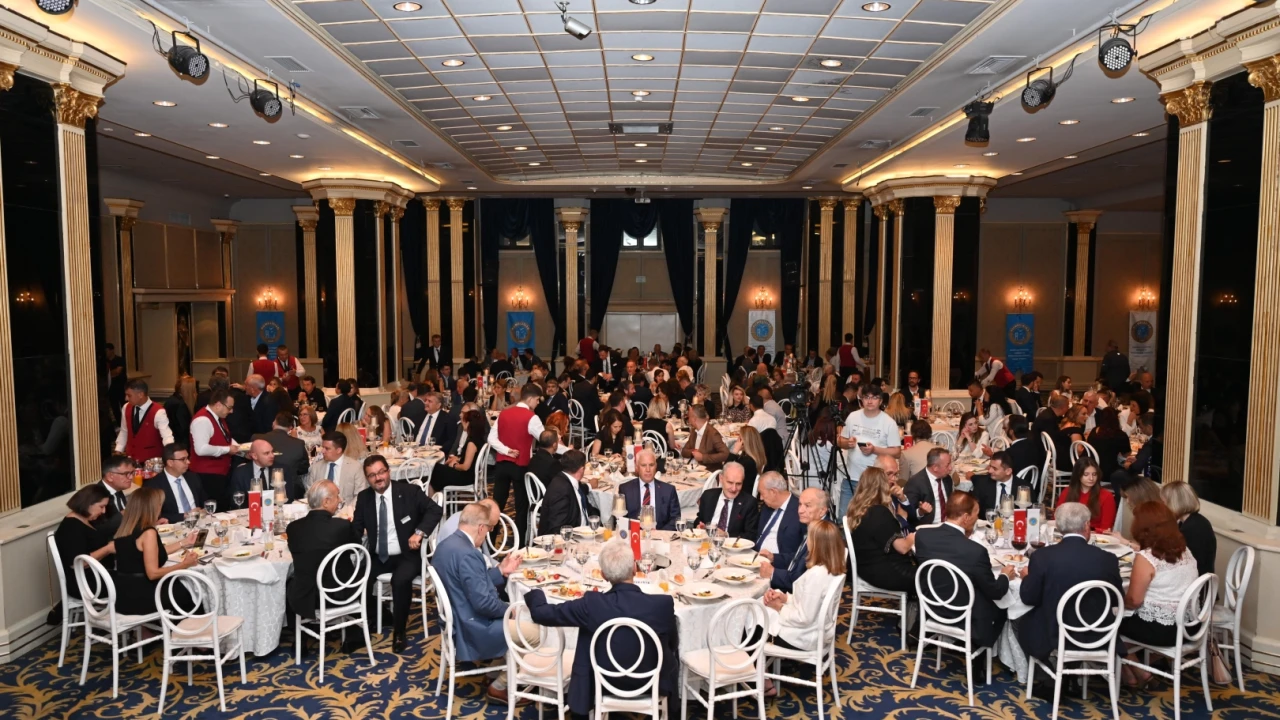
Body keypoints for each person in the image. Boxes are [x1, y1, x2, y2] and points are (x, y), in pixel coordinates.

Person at [525, 539, 678, 718]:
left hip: (602, 681)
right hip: (651, 681)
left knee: (588, 635)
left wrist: (536, 590)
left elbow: (541, 614)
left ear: (604, 575)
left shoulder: (592, 604)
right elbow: (673, 644)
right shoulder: (662, 605)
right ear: (635, 568)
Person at [352, 455, 443, 653]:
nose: (378, 478)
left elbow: (435, 510)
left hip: (407, 554)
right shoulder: (364, 498)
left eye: (381, 472)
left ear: (389, 471)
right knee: (357, 577)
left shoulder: (409, 492)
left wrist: (419, 532)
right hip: (378, 555)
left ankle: (399, 631)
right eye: (372, 475)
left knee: (400, 580)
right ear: (367, 478)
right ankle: (377, 617)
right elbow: (356, 528)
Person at [433, 502, 525, 700]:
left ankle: (494, 672)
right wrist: (509, 611)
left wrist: (500, 570)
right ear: (481, 528)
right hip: (473, 628)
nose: (487, 535)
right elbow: (483, 603)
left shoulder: (445, 546)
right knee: (534, 631)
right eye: (489, 530)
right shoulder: (469, 554)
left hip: (457, 619)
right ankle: (501, 686)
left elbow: (468, 584)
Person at [1015, 502, 1123, 665]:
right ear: (1087, 525)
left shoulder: (1042, 557)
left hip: (1055, 635)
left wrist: (1026, 578)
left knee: (1017, 618)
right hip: (1098, 634)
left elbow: (1029, 598)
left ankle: (1045, 672)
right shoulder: (1108, 559)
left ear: (1058, 527)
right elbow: (1116, 599)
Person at [915, 491, 1016, 650]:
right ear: (966, 517)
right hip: (964, 618)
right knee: (1004, 607)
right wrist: (1004, 575)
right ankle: (979, 651)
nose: (977, 518)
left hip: (931, 608)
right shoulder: (976, 551)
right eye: (976, 513)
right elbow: (995, 592)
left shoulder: (922, 536)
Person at [1119, 501, 1202, 688]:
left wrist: (1115, 603)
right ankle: (1129, 677)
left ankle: (1140, 673)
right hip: (1190, 626)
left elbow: (1134, 600)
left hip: (1164, 631)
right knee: (1119, 618)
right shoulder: (1185, 551)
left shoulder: (1147, 558)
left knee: (1107, 622)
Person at [762, 518, 846, 659]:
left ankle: (758, 671)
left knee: (751, 622)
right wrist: (785, 598)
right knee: (759, 611)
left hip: (801, 638)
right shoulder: (831, 567)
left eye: (810, 538)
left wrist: (778, 607)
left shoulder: (816, 575)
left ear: (817, 544)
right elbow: (811, 602)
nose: (807, 542)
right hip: (814, 632)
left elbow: (803, 618)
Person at [112, 487, 199, 615]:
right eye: (159, 504)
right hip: (144, 597)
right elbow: (153, 573)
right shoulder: (148, 533)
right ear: (152, 508)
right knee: (193, 594)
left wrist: (184, 543)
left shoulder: (125, 529)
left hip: (123, 595)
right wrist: (184, 564)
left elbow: (151, 553)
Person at [286, 480, 357, 626]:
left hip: (306, 597)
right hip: (339, 594)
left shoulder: (293, 528)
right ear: (326, 502)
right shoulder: (342, 526)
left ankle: (298, 633)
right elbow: (357, 546)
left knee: (289, 580)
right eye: (337, 496)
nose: (340, 500)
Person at [846, 467, 916, 594]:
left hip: (866, 570)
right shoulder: (879, 512)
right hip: (886, 572)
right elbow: (903, 548)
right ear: (882, 487)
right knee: (933, 576)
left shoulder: (857, 511)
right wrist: (913, 537)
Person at [836, 383, 903, 516]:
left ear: (880, 401)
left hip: (876, 481)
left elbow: (897, 452)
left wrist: (874, 450)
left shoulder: (888, 422)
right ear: (861, 399)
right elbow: (840, 441)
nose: (870, 401)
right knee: (844, 517)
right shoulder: (853, 417)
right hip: (851, 477)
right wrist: (848, 443)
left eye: (874, 397)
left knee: (870, 518)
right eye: (866, 397)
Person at [55, 484, 117, 595]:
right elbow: (79, 563)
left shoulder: (87, 520)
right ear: (88, 503)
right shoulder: (71, 528)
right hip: (87, 583)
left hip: (99, 576)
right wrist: (108, 549)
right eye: (101, 507)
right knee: (137, 582)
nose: (103, 511)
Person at [537, 449, 600, 535]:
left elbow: (588, 509)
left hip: (585, 531)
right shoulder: (560, 490)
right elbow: (558, 529)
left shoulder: (571, 481)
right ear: (582, 469)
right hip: (570, 537)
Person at [619, 448, 682, 531]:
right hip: (634, 535)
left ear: (656, 466)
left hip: (660, 536)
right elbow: (620, 518)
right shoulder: (625, 489)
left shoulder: (668, 490)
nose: (648, 470)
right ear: (637, 467)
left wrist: (659, 533)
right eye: (643, 465)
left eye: (651, 465)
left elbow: (675, 519)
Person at [142, 443, 207, 524]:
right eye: (183, 459)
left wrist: (204, 510)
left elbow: (205, 502)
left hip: (199, 523)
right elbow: (153, 515)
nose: (188, 462)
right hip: (173, 526)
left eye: (188, 458)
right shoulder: (153, 485)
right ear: (170, 463)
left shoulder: (193, 478)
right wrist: (185, 516)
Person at [1161, 481, 1215, 577]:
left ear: (1174, 504)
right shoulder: (1196, 520)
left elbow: (1178, 563)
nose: (1163, 507)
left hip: (1196, 583)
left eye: (1164, 503)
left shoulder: (1191, 529)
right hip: (1201, 578)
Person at [114, 379, 174, 465]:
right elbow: (124, 431)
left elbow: (167, 436)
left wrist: (171, 455)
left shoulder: (158, 411)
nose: (126, 398)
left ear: (140, 395)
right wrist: (118, 451)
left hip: (152, 462)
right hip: (131, 460)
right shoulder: (126, 407)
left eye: (129, 395)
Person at [695, 461, 759, 539]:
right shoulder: (708, 496)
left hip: (731, 544)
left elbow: (751, 535)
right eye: (730, 483)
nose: (734, 488)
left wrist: (726, 535)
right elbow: (699, 519)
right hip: (706, 541)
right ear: (721, 479)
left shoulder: (749, 503)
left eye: (738, 484)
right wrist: (700, 526)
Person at [429, 409, 487, 493]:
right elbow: (472, 459)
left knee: (434, 469)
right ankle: (437, 495)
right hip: (471, 475)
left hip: (465, 477)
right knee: (437, 469)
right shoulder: (479, 439)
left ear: (468, 423)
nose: (461, 423)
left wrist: (454, 465)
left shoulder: (471, 443)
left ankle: (433, 496)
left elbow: (465, 467)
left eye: (463, 421)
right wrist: (457, 458)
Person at [307, 431, 369, 506]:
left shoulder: (355, 467)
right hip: (320, 510)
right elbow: (309, 493)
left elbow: (360, 495)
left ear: (338, 450)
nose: (322, 451)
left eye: (327, 448)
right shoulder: (316, 467)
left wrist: (347, 510)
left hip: (347, 510)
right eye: (323, 447)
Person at [1056, 457, 1116, 533]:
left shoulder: (1107, 496)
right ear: (1078, 475)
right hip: (1068, 533)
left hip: (1095, 536)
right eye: (1086, 474)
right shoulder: (1067, 491)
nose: (1091, 478)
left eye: (1094, 474)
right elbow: (1058, 519)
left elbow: (1106, 528)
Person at [904, 447, 952, 528]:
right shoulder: (915, 483)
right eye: (947, 465)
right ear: (935, 468)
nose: (950, 468)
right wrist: (921, 512)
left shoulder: (947, 479)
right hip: (929, 527)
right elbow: (909, 514)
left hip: (948, 525)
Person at [93, 455, 137, 537]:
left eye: (132, 473)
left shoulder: (117, 489)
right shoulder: (96, 496)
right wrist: (124, 514)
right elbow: (100, 530)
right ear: (110, 477)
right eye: (126, 474)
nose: (131, 477)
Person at [259, 410, 310, 478]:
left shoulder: (257, 438)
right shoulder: (299, 444)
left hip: (263, 481)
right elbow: (304, 469)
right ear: (290, 428)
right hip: (290, 482)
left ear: (274, 422)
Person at [1086, 407, 1130, 481]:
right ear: (1116, 419)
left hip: (1092, 468)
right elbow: (1126, 454)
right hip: (1110, 472)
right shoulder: (1120, 435)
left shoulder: (1094, 431)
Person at [679, 405, 729, 471]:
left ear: (694, 419)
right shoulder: (694, 431)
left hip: (709, 471)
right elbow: (684, 452)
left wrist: (703, 457)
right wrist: (693, 452)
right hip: (694, 469)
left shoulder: (712, 433)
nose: (688, 420)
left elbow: (725, 454)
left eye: (689, 417)